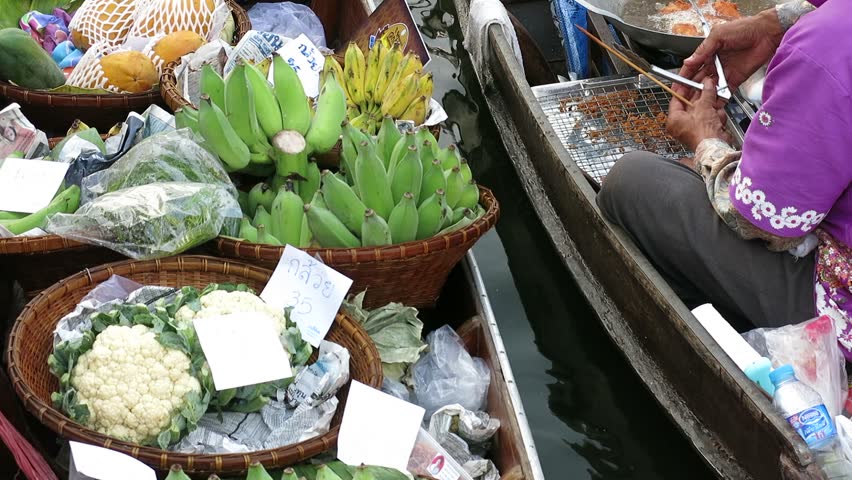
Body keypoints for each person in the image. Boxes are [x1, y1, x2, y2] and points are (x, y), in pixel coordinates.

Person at [596, 0, 852, 357]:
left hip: (840, 307)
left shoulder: (831, 41)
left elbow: (760, 222)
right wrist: (775, 23)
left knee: (633, 181)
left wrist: (707, 143)